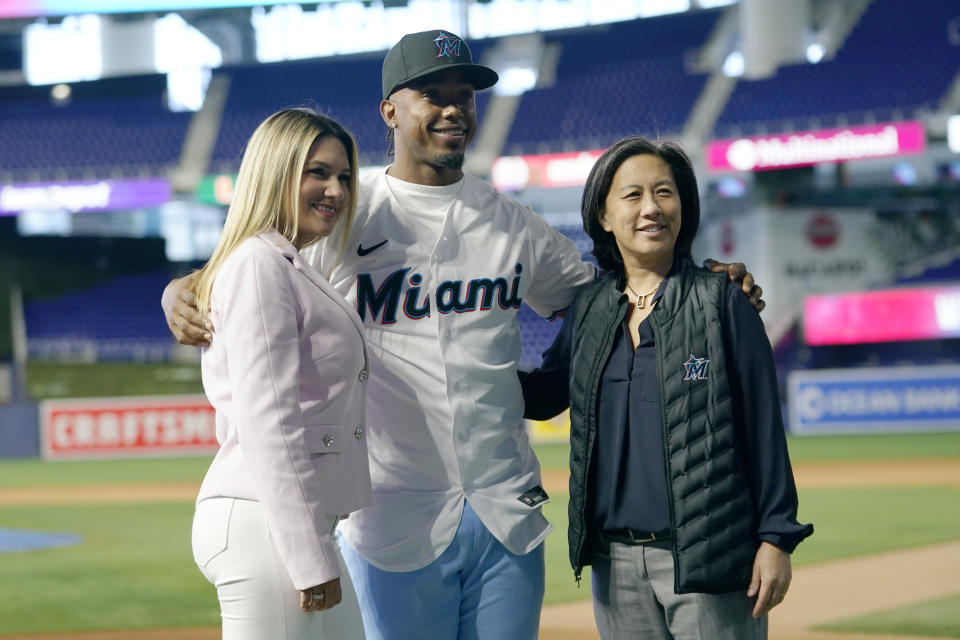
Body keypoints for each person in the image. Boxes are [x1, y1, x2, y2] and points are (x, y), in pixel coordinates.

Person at [162, 31, 765, 640]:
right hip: (389, 517)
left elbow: (606, 298)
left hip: (504, 513)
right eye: (432, 94)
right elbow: (257, 266)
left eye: (465, 96)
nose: (453, 108)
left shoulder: (510, 223)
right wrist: (182, 288)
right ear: (390, 111)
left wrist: (701, 281)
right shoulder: (343, 213)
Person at [520, 136, 813, 640]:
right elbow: (546, 394)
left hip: (710, 556)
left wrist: (776, 538)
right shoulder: (589, 308)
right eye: (632, 196)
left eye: (665, 192)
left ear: (685, 207)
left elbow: (763, 427)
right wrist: (461, 364)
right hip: (614, 567)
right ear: (604, 216)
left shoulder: (723, 301)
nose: (651, 208)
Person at [187, 107, 372, 640]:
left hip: (284, 523)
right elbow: (270, 419)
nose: (335, 190)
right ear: (275, 172)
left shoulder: (287, 263)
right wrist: (310, 558)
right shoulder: (258, 264)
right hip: (265, 524)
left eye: (343, 176)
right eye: (317, 172)